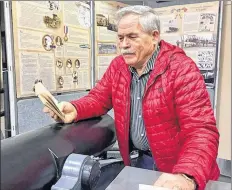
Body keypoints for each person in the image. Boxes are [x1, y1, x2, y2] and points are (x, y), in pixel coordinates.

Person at [43, 5, 220, 190]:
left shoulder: (181, 69)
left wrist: (187, 174)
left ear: (154, 36)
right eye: (120, 38)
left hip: (177, 169)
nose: (124, 44)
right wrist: (75, 109)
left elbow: (201, 130)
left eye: (132, 37)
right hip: (140, 162)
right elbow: (98, 98)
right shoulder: (118, 66)